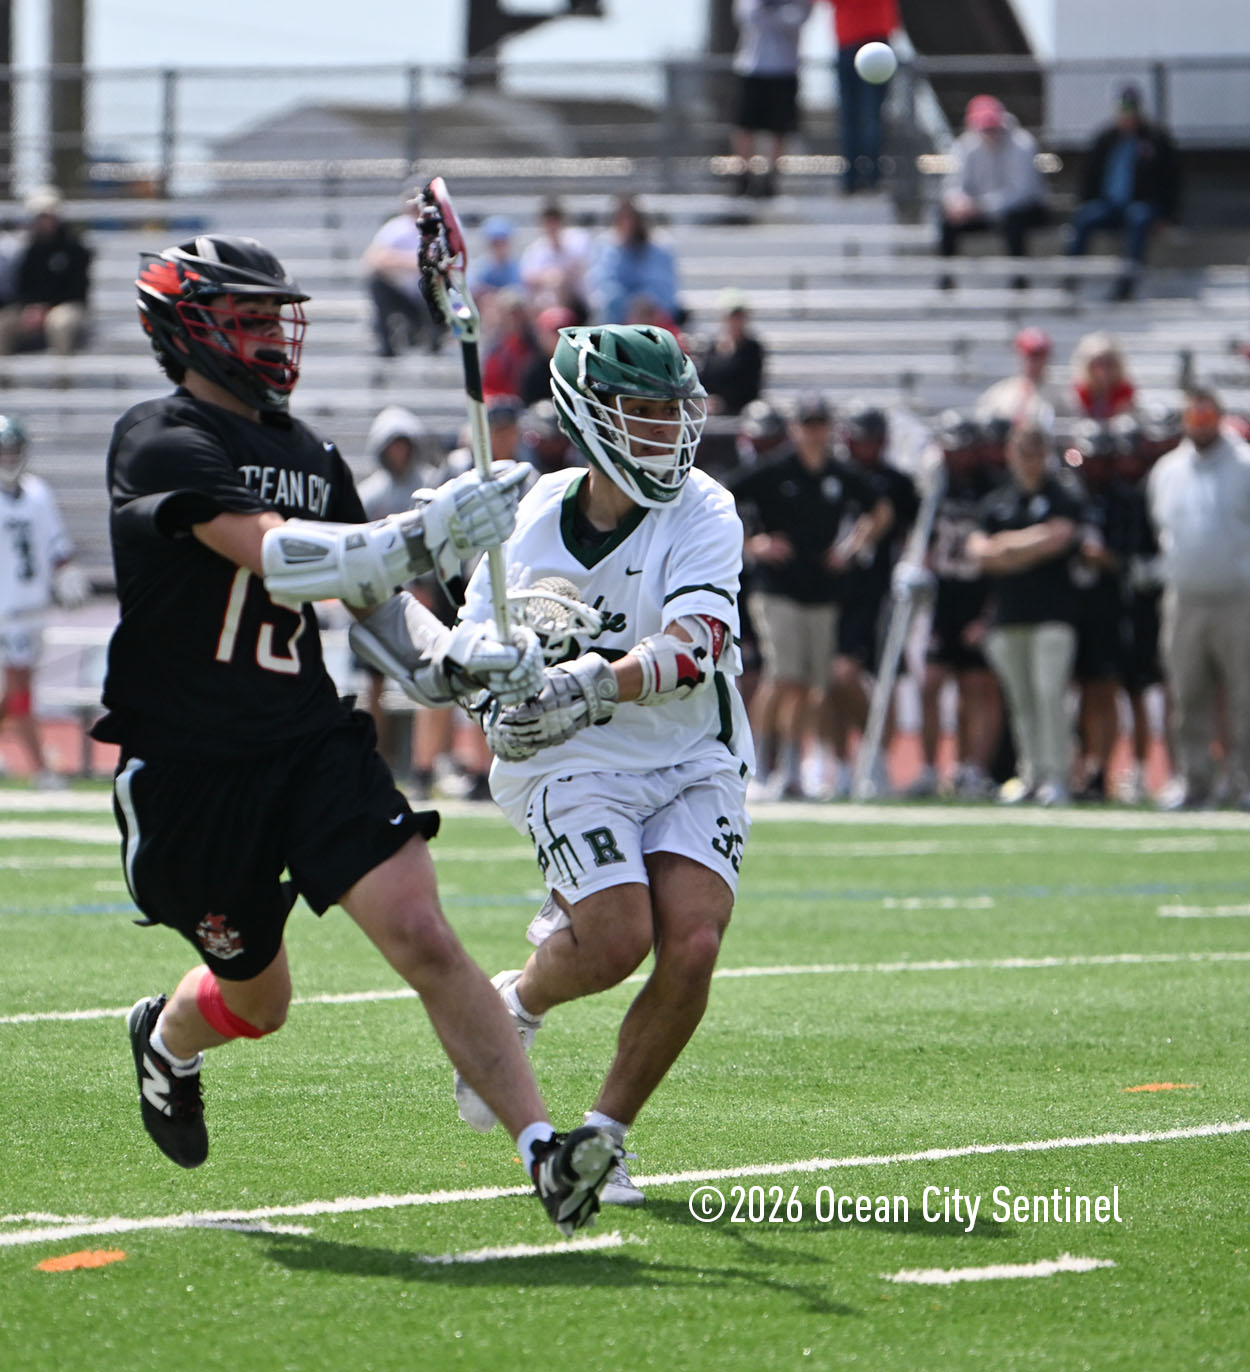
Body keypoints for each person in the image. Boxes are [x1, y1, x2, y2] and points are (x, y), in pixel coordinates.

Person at [94, 233, 619, 1234]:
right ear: (188, 328)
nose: (270, 334)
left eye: (273, 316)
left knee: (424, 934)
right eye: (246, 317)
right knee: (259, 1003)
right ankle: (168, 1038)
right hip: (195, 767)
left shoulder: (310, 454)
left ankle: (543, 1151)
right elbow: (278, 556)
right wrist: (421, 533)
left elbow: (378, 615)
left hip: (307, 744)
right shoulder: (159, 438)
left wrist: (457, 658)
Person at [449, 323, 754, 1208]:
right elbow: (474, 648)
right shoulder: (527, 515)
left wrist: (585, 684)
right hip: (573, 760)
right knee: (618, 943)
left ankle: (604, 1139)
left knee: (693, 945)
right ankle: (519, 1002)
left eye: (675, 410)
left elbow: (697, 645)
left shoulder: (705, 509)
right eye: (646, 412)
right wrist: (493, 703)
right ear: (589, 415)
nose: (670, 429)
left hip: (691, 749)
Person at [730, 391, 888, 799]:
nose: (815, 432)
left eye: (821, 424)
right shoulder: (774, 469)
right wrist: (754, 544)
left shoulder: (840, 473)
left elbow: (880, 509)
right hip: (777, 587)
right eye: (808, 424)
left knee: (810, 686)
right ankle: (755, 764)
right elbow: (720, 500)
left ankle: (790, 768)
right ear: (795, 428)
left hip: (822, 592)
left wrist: (852, 546)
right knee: (783, 675)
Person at [967, 424, 1084, 805]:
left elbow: (1057, 538)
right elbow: (980, 553)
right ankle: (1031, 774)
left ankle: (1058, 776)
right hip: (1008, 616)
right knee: (1021, 701)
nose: (1030, 460)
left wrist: (1006, 547)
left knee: (1050, 695)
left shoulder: (1062, 495)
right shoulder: (997, 500)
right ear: (1010, 453)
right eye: (1023, 452)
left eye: (1036, 452)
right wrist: (1027, 546)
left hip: (1053, 615)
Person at [1147, 386, 1250, 809]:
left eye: (1207, 416)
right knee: (1187, 695)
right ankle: (1194, 781)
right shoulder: (1167, 470)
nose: (1201, 424)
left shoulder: (1245, 464)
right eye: (1194, 416)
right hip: (1184, 598)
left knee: (1245, 696)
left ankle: (1244, 781)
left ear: (1219, 417)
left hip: (1239, 598)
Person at [913, 412, 1002, 798]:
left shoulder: (992, 488)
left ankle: (973, 769)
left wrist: (988, 615)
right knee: (931, 683)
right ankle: (930, 768)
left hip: (978, 596)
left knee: (976, 686)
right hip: (944, 598)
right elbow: (922, 537)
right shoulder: (937, 485)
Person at [0, 414, 90, 786]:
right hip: (5, 610)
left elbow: (57, 546)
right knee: (20, 688)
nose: (8, 458)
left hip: (34, 608)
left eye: (12, 450)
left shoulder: (38, 492)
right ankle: (40, 769)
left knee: (15, 688)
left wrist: (66, 575)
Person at [1065, 83, 1181, 302]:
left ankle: (1127, 284)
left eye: (1131, 109)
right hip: (1110, 206)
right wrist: (1086, 200)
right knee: (1085, 216)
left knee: (1138, 217)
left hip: (1142, 205)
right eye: (1123, 109)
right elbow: (1088, 177)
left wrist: (1168, 216)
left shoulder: (1155, 139)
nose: (1127, 115)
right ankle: (1070, 279)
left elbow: (1171, 181)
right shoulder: (1105, 139)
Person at [936, 96, 1049, 290]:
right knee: (947, 221)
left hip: (1023, 208)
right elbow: (953, 183)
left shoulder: (1022, 144)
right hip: (979, 209)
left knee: (1014, 220)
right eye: (984, 129)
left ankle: (1019, 280)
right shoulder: (964, 145)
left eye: (992, 128)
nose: (989, 134)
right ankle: (946, 278)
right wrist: (958, 202)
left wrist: (982, 206)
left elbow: (1022, 192)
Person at [728, 0, 814, 198]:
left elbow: (798, 17)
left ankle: (771, 180)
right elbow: (748, 15)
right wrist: (775, 15)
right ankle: (743, 178)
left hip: (785, 69)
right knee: (744, 126)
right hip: (752, 67)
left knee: (780, 129)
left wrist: (773, 14)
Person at [0, 187, 92, 356]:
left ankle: (63, 371)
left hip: (67, 306)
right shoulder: (30, 250)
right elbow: (24, 285)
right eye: (39, 216)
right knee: (4, 324)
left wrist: (46, 308)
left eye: (46, 216)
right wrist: (30, 307)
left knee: (59, 324)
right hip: (32, 307)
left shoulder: (75, 249)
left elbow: (77, 290)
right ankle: (4, 372)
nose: (42, 221)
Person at [826, 0, 901, 194]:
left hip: (874, 42)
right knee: (853, 117)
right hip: (849, 42)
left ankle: (869, 178)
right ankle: (853, 179)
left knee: (870, 117)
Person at [361, 188, 444, 359]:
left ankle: (434, 342)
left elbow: (440, 263)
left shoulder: (437, 229)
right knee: (377, 284)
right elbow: (374, 261)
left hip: (430, 293)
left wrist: (398, 260)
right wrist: (416, 262)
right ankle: (387, 346)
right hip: (403, 291)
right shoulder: (396, 228)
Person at [586, 197, 682, 327]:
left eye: (631, 218)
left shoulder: (659, 245)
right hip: (618, 311)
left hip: (653, 310)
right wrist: (627, 305)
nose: (628, 224)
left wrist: (642, 302)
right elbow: (602, 282)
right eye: (622, 218)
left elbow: (664, 286)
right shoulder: (605, 245)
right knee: (611, 301)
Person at [697, 289, 766, 416]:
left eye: (740, 316)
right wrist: (708, 401)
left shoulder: (752, 349)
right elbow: (703, 382)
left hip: (743, 414)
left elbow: (750, 386)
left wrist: (725, 404)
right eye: (733, 315)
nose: (736, 321)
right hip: (713, 416)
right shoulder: (711, 349)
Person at [519, 198, 592, 316]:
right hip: (543, 306)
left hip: (576, 304)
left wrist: (557, 278)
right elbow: (528, 278)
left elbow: (579, 267)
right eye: (548, 221)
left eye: (555, 220)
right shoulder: (535, 250)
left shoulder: (577, 240)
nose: (552, 226)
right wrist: (548, 278)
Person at [976, 327, 1057, 431]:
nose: (1035, 362)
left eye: (1039, 356)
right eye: (1030, 355)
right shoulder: (999, 394)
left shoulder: (1059, 396)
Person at [1068, 331, 1136, 421]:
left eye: (1109, 363)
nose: (1103, 370)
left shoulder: (1125, 391)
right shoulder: (1078, 392)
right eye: (1097, 364)